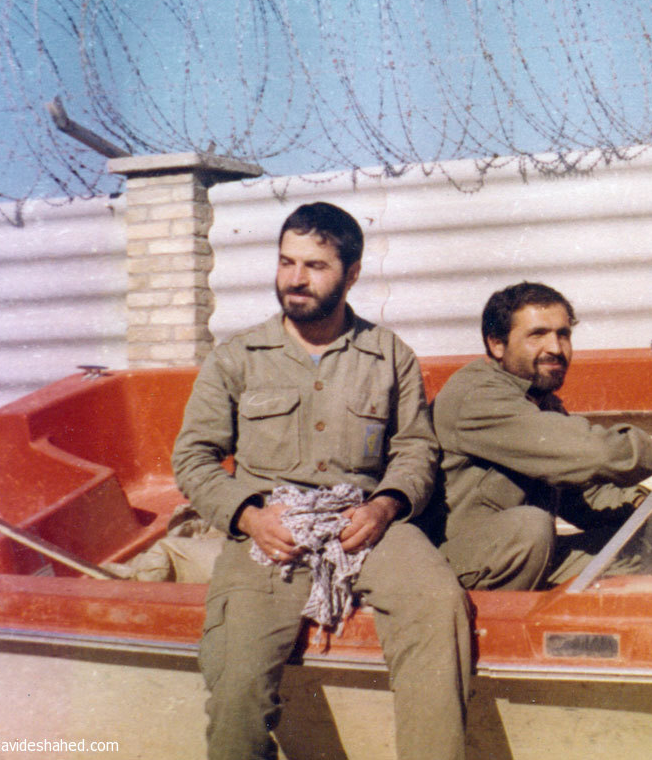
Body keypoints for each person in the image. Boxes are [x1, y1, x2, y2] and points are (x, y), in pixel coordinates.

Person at [171, 202, 471, 760]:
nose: (295, 279)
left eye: (315, 266)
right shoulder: (237, 357)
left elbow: (415, 450)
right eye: (286, 262)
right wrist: (250, 517)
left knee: (438, 603)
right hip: (270, 536)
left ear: (351, 274)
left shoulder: (389, 356)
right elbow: (193, 458)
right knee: (236, 689)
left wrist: (384, 507)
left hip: (366, 526)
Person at [432, 281, 652, 590]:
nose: (556, 348)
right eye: (537, 335)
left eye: (563, 334)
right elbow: (593, 454)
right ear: (497, 344)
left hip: (519, 554)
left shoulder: (538, 400)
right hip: (452, 567)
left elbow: (582, 495)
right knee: (530, 526)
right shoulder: (478, 396)